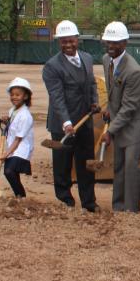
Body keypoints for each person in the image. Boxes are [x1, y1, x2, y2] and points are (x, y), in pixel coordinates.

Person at [42, 20, 100, 212]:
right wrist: (67, 122)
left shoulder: (87, 58)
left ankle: (89, 202)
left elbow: (91, 83)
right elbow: (57, 97)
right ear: (59, 42)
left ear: (77, 39)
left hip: (85, 122)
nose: (68, 45)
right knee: (62, 165)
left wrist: (94, 101)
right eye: (63, 41)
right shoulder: (52, 67)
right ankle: (65, 200)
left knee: (85, 164)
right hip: (62, 124)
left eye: (71, 40)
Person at [101, 22, 140, 213]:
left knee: (131, 165)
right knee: (119, 165)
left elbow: (130, 107)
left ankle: (131, 210)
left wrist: (110, 131)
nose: (111, 46)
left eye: (116, 43)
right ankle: (118, 207)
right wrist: (108, 108)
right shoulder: (107, 59)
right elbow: (112, 91)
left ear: (125, 43)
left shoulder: (134, 70)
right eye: (108, 42)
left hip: (136, 123)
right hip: (120, 118)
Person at [0, 77, 34, 198]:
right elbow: (13, 123)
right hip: (13, 148)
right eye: (12, 94)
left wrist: (6, 154)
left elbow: (18, 139)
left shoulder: (25, 116)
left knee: (9, 171)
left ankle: (21, 196)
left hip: (21, 149)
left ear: (25, 96)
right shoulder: (12, 110)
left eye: (18, 95)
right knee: (11, 172)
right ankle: (19, 196)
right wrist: (7, 120)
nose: (14, 97)